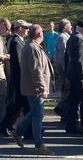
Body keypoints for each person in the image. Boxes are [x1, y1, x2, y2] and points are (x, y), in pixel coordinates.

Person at [11, 24, 55, 156]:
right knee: (38, 115)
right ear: (39, 34)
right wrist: (42, 88)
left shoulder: (33, 46)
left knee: (35, 112)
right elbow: (36, 71)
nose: (43, 34)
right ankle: (39, 145)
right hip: (34, 88)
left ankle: (18, 132)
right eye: (42, 32)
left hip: (33, 87)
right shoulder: (32, 48)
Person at [0, 20, 31, 137]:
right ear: (19, 28)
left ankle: (7, 125)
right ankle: (26, 130)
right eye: (26, 28)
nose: (27, 30)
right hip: (20, 79)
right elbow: (19, 63)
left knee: (19, 105)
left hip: (21, 79)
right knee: (21, 104)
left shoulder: (20, 41)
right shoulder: (16, 42)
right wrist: (25, 78)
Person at [52, 19, 72, 119]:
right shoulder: (62, 38)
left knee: (67, 90)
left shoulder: (65, 37)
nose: (71, 27)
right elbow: (63, 55)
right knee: (67, 90)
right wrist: (66, 70)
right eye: (70, 25)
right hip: (64, 69)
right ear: (65, 27)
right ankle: (61, 109)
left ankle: (64, 111)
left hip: (65, 68)